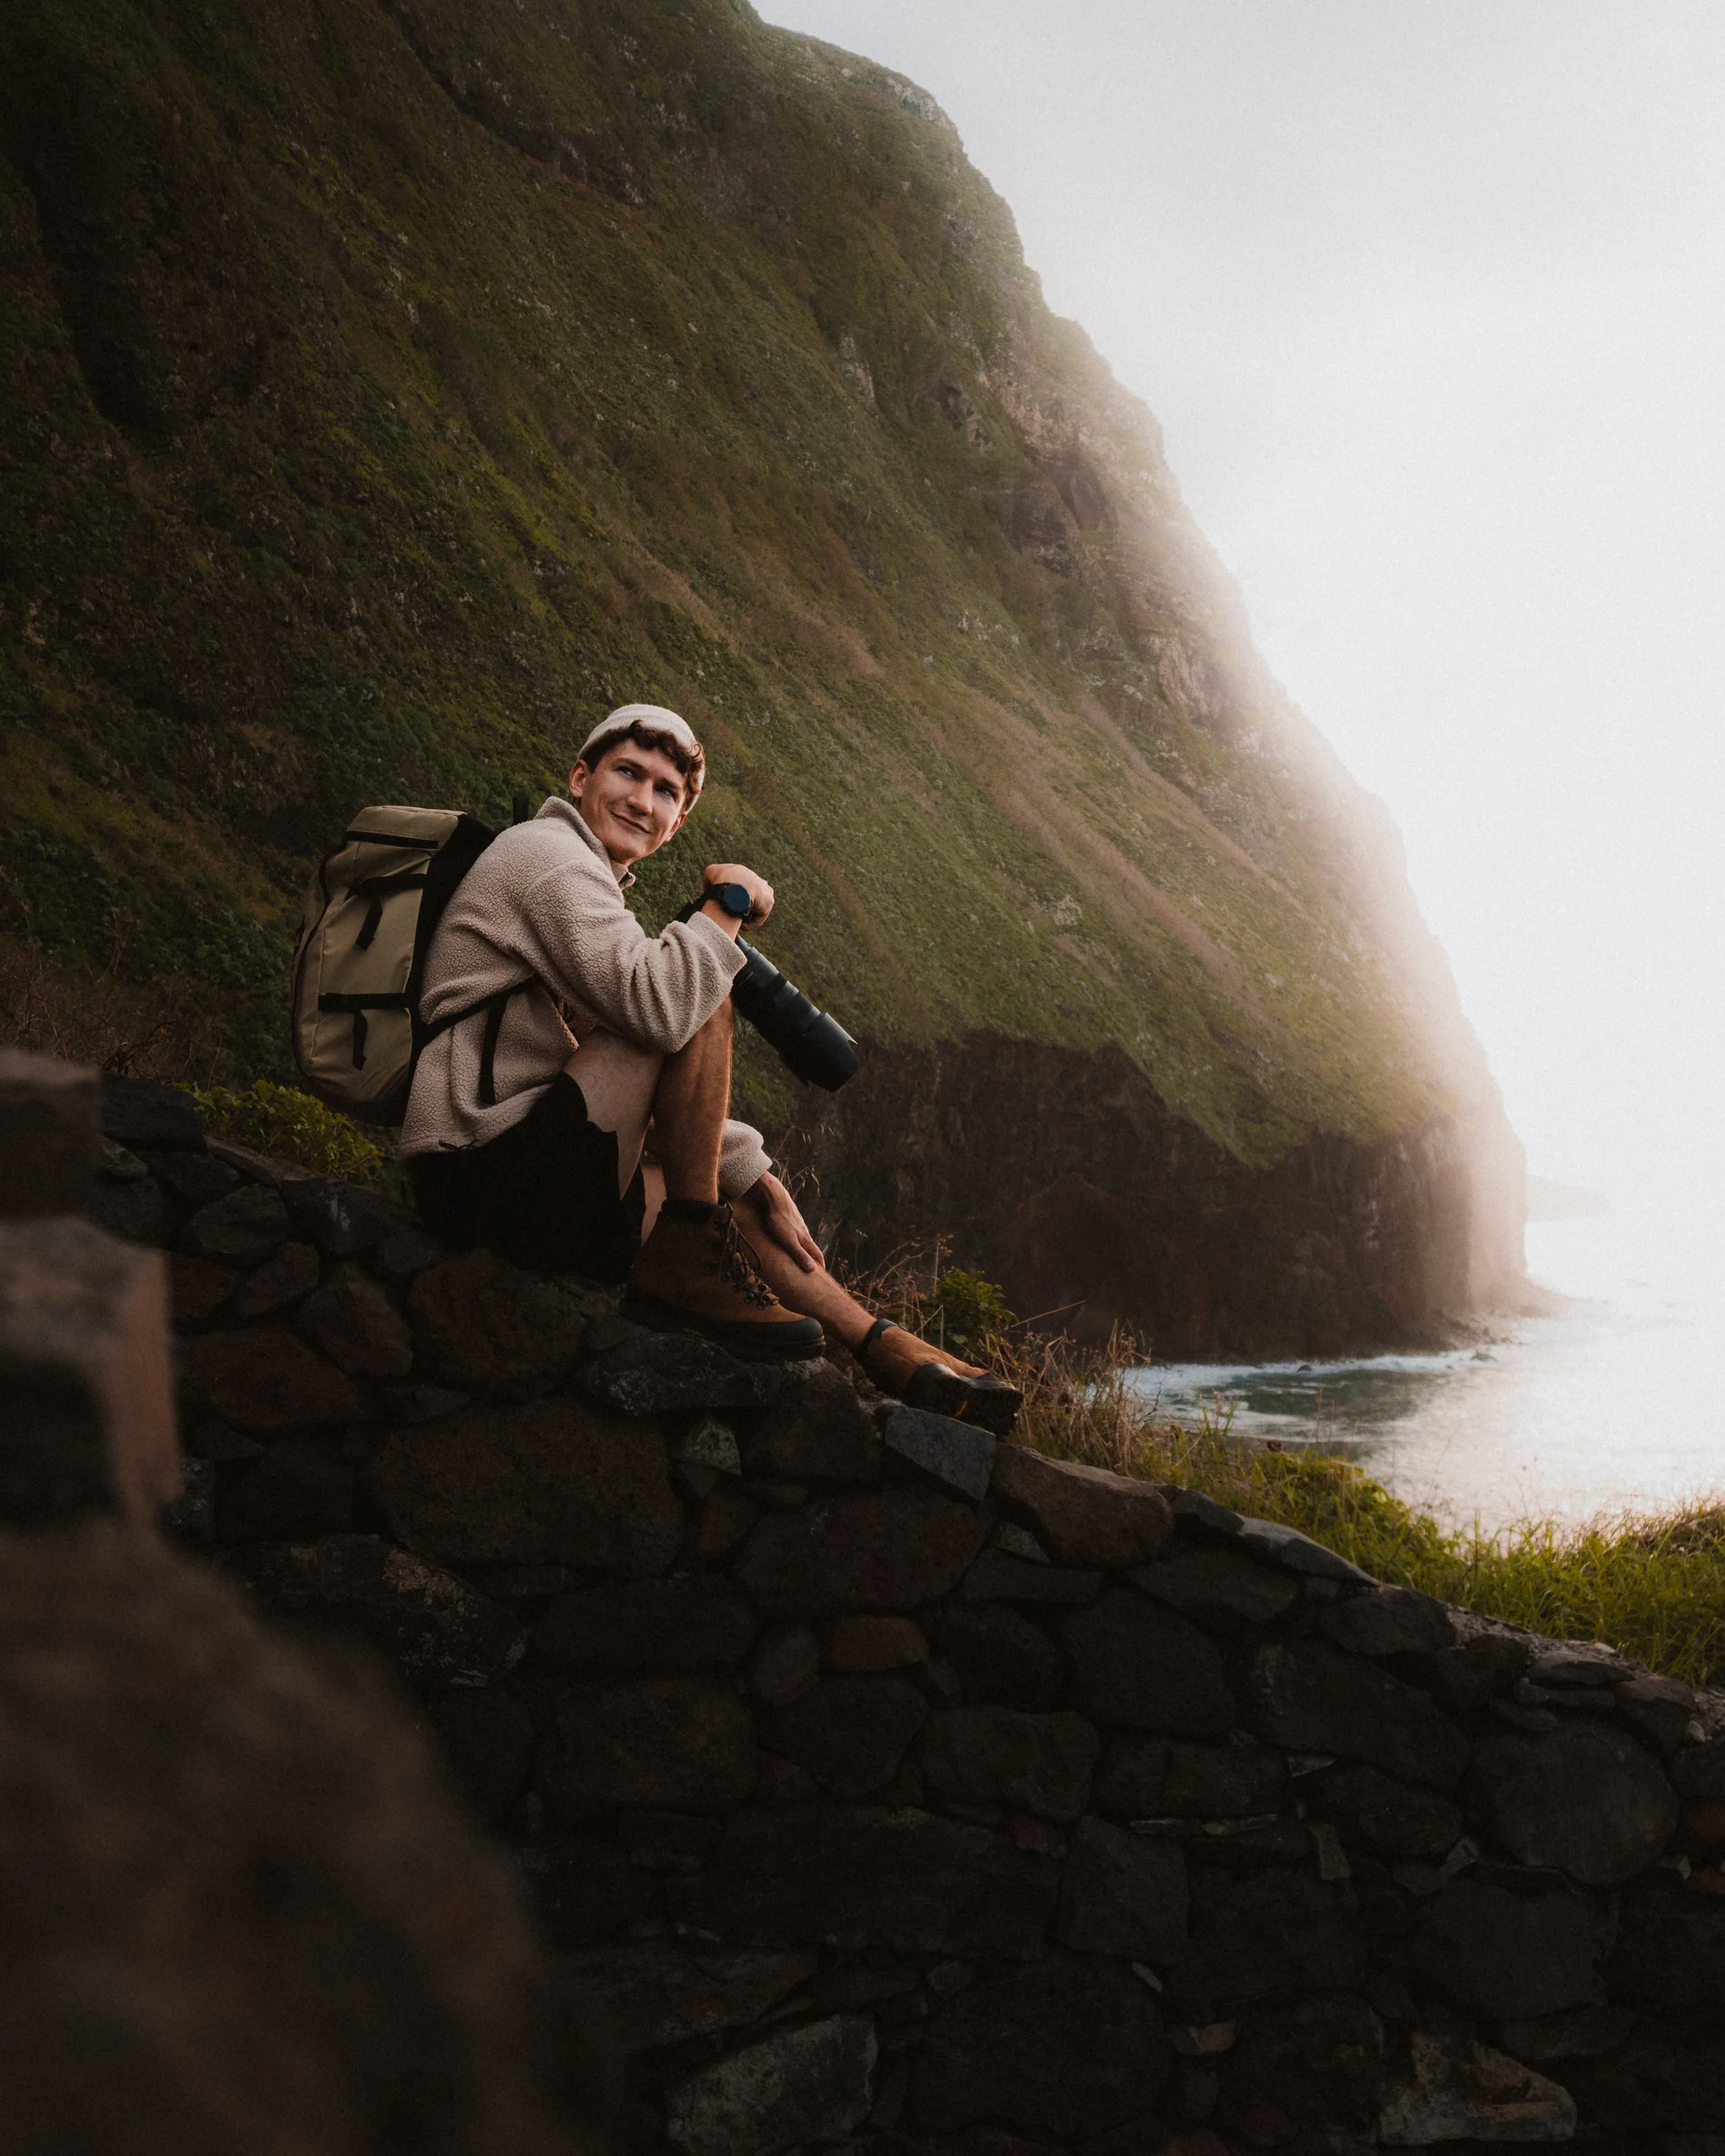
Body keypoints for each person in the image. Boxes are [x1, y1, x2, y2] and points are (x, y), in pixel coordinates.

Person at [400, 702, 1021, 1429]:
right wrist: (727, 905)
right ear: (580, 777)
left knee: (742, 1192)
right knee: (699, 998)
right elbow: (662, 1013)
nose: (643, 798)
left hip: (516, 1172)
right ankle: (689, 1260)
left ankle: (888, 1348)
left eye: (666, 790)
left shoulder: (588, 883)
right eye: (628, 772)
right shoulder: (547, 857)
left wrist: (749, 1169)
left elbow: (630, 1067)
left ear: (676, 823)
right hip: (480, 1172)